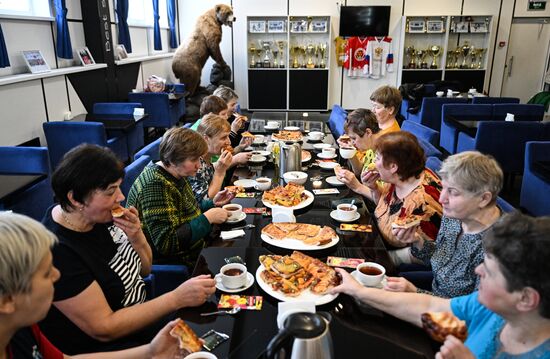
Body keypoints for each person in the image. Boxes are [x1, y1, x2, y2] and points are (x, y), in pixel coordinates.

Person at [40, 144, 215, 354]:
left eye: (119, 188)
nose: (121, 197)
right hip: (112, 347)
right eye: (111, 191)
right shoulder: (57, 251)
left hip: (144, 316)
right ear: (75, 199)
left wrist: (137, 236)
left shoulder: (100, 217)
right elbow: (104, 328)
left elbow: (145, 270)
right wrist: (175, 298)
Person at [331, 212, 550, 359]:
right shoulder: (491, 309)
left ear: (526, 299)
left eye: (490, 272)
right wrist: (359, 291)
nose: (478, 271)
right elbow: (430, 311)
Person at [0, 212, 189, 358]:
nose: (57, 275)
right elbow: (104, 329)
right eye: (46, 273)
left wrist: (151, 352)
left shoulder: (22, 328)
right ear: (7, 301)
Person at [387, 151, 504, 298]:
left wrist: (416, 293)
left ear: (483, 199)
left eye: (453, 192)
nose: (442, 199)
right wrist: (418, 241)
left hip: (450, 316)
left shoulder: (499, 248)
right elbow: (440, 258)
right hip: (434, 290)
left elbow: (473, 314)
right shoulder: (456, 216)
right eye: (444, 188)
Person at [126, 128, 234, 266]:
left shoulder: (176, 171)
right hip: (179, 261)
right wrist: (209, 218)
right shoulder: (156, 184)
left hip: (196, 247)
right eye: (194, 160)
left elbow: (186, 208)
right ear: (171, 160)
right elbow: (166, 243)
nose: (199, 165)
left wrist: (212, 204)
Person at [337, 131, 442, 264]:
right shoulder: (401, 176)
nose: (374, 161)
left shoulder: (423, 204)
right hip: (377, 239)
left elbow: (427, 254)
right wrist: (373, 188)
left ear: (393, 166)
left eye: (377, 158)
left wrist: (385, 259)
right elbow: (386, 207)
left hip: (393, 261)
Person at [188, 113, 240, 203]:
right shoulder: (195, 163)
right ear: (206, 139)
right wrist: (220, 172)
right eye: (224, 137)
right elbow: (206, 201)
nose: (229, 142)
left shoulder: (208, 157)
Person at [190, 95, 253, 163]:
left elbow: (223, 155)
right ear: (212, 115)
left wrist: (240, 147)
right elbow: (215, 166)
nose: (226, 117)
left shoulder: (210, 127)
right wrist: (235, 160)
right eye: (223, 114)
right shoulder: (200, 133)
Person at [336, 108, 380, 177]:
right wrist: (350, 151)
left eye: (354, 138)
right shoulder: (370, 148)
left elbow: (381, 187)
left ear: (368, 132)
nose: (353, 143)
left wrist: (356, 186)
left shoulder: (386, 155)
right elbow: (360, 171)